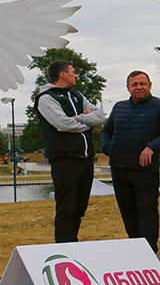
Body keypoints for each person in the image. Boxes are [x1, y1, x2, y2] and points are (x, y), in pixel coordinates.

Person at [34, 59, 106, 244]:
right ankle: (65, 249)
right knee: (66, 207)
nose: (76, 75)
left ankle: (73, 243)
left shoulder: (77, 96)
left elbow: (99, 116)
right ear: (62, 74)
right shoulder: (46, 98)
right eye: (73, 72)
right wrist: (86, 123)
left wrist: (80, 118)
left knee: (80, 207)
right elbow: (63, 124)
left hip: (85, 159)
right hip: (65, 160)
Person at [101, 70, 160, 253]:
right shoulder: (119, 107)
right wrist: (108, 148)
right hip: (119, 168)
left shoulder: (158, 106)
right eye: (134, 84)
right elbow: (106, 131)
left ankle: (149, 251)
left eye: (142, 83)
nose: (139, 87)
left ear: (150, 85)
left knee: (146, 211)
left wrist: (151, 146)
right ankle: (135, 248)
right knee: (128, 212)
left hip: (145, 170)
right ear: (128, 88)